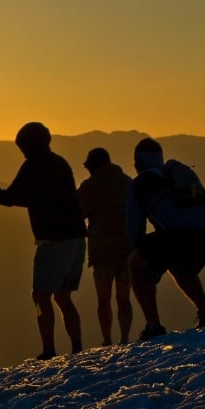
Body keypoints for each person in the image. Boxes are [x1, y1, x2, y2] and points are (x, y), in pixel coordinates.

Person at [0, 121, 87, 360]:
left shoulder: (34, 166)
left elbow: (13, 197)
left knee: (40, 295)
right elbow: (28, 196)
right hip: (76, 237)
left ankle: (49, 350)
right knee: (63, 297)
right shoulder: (59, 163)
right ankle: (76, 348)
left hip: (53, 240)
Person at [126, 138, 205, 340]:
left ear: (137, 165)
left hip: (179, 234)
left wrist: (143, 256)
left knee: (136, 264)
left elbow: (135, 228)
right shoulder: (177, 174)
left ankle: (153, 327)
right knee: (180, 266)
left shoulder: (138, 185)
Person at [76, 147, 134, 346]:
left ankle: (107, 339)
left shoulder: (90, 186)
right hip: (128, 249)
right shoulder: (128, 182)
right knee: (124, 298)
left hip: (102, 251)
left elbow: (77, 214)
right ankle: (125, 338)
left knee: (103, 300)